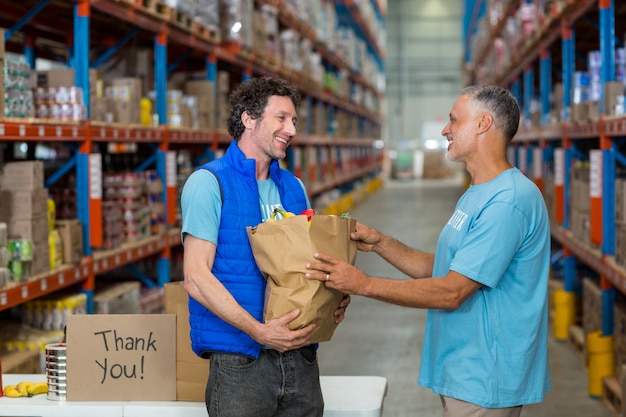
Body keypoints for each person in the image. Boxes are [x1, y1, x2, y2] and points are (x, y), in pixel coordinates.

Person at [306, 85, 551, 417]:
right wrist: (379, 243)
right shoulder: (478, 192)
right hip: (463, 368)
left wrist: (362, 284)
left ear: (482, 124)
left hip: (485, 377)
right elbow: (447, 268)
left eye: (453, 120)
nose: (445, 129)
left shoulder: (508, 201)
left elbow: (452, 291)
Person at [181, 76, 350, 417]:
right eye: (282, 118)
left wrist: (332, 297)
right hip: (241, 362)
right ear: (248, 118)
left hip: (300, 358)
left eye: (295, 121)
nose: (291, 129)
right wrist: (260, 331)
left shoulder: (293, 187)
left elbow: (306, 264)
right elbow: (196, 277)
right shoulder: (209, 183)